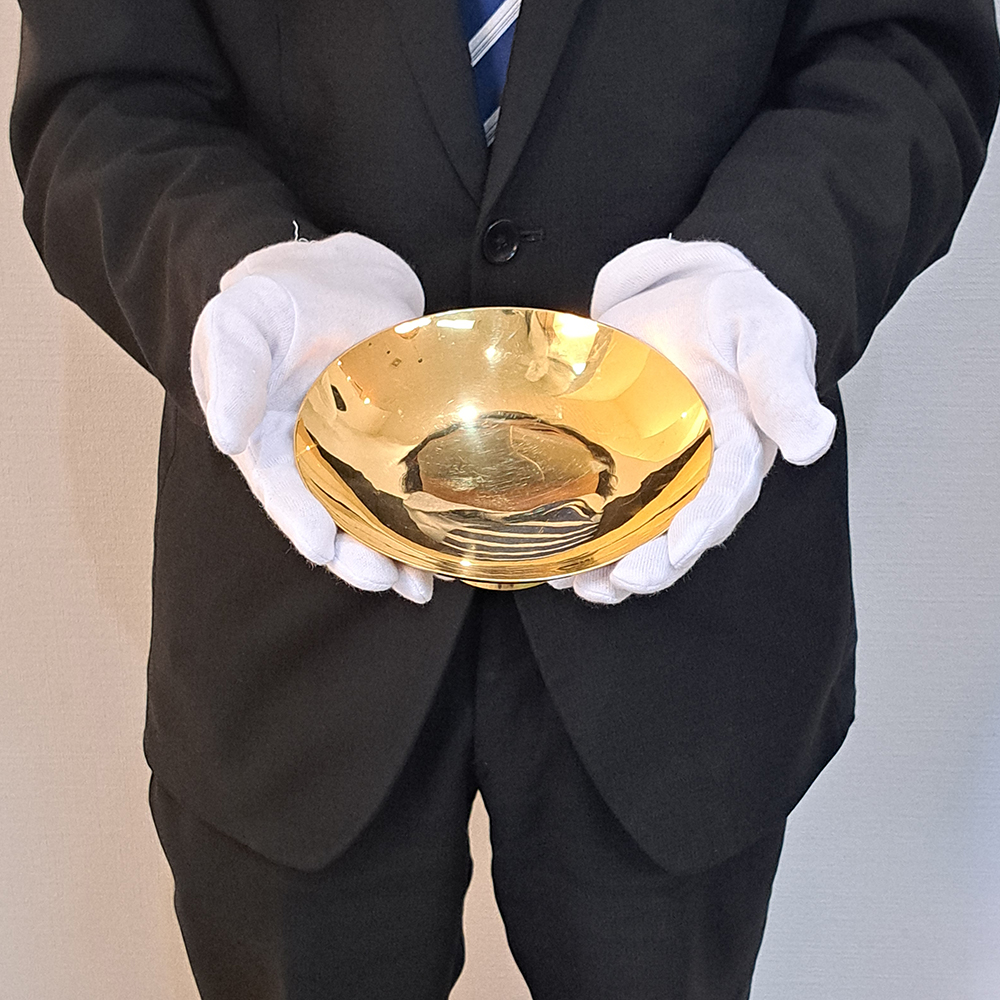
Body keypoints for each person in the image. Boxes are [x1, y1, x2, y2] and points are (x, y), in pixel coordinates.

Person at [10, 1, 999, 997]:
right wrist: (233, 261)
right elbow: (106, 91)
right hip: (295, 590)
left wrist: (769, 261)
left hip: (681, 603)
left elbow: (901, 46)